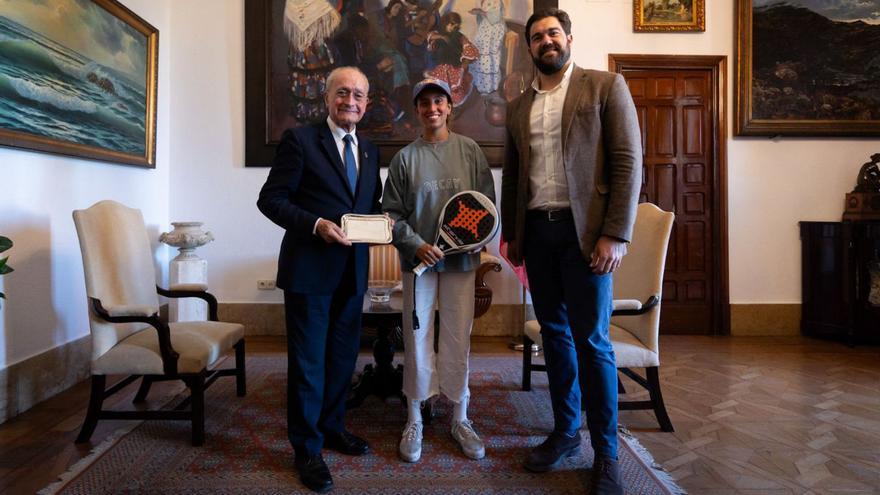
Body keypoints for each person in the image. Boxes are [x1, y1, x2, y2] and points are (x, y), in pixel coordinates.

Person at [500, 8, 641, 495]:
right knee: (554, 338)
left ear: (568, 38)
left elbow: (627, 161)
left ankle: (606, 453)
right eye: (537, 37)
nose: (546, 41)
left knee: (593, 343)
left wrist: (616, 234)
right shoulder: (518, 107)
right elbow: (514, 177)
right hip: (538, 234)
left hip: (587, 238)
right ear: (530, 48)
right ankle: (564, 432)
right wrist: (512, 237)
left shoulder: (603, 87)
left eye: (552, 33)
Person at [257, 66, 381, 494]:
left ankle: (332, 427)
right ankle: (307, 449)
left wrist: (385, 225)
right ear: (327, 98)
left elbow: (369, 205)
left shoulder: (369, 150)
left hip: (353, 273)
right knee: (309, 365)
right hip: (310, 271)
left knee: (343, 361)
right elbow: (270, 200)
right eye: (343, 93)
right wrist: (315, 225)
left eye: (359, 95)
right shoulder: (300, 140)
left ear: (367, 103)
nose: (351, 101)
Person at [382, 78, 496, 464]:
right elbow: (391, 216)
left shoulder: (470, 152)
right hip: (419, 266)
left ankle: (460, 417)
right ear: (417, 110)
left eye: (439, 101)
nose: (432, 108)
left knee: (456, 338)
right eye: (425, 103)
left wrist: (474, 239)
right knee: (416, 338)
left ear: (450, 107)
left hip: (461, 264)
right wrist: (418, 245)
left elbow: (485, 207)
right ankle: (414, 415)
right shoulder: (404, 160)